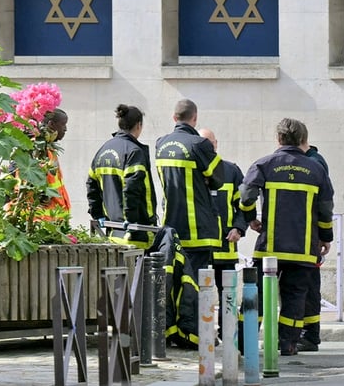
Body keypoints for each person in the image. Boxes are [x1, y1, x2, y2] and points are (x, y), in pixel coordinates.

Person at [239, 118, 334, 356]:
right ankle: (288, 344)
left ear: (279, 139)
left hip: (270, 246)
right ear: (303, 141)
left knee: (257, 294)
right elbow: (325, 209)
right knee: (294, 298)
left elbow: (246, 195)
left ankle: (244, 343)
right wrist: (325, 237)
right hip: (302, 250)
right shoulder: (316, 169)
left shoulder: (264, 164)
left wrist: (250, 217)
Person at [155, 99, 224, 280]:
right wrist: (205, 179)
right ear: (195, 118)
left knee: (173, 281)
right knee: (194, 285)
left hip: (170, 227)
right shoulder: (200, 144)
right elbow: (219, 179)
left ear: (174, 117)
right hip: (197, 231)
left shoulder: (161, 144)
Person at [86, 104, 159, 249]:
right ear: (139, 125)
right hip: (137, 233)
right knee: (140, 271)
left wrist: (98, 214)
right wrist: (131, 219)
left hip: (113, 232)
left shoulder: (103, 150)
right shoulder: (133, 152)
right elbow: (131, 188)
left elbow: (91, 185)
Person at [198, 128, 247, 330]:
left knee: (227, 292)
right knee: (198, 292)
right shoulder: (191, 171)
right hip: (199, 246)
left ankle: (227, 332)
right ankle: (201, 333)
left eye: (210, 143)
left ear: (216, 144)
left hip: (225, 247)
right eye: (203, 143)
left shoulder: (231, 171)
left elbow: (244, 205)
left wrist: (239, 228)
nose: (208, 147)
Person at [297, 137, 331, 352]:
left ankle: (309, 334)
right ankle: (305, 333)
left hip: (309, 236)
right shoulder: (308, 161)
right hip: (301, 235)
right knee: (302, 287)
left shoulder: (314, 162)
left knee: (308, 287)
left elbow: (323, 202)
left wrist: (324, 235)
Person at [39, 108, 72, 218]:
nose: (65, 129)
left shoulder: (48, 149)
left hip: (54, 219)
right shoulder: (39, 150)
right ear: (51, 124)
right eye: (63, 124)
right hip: (43, 221)